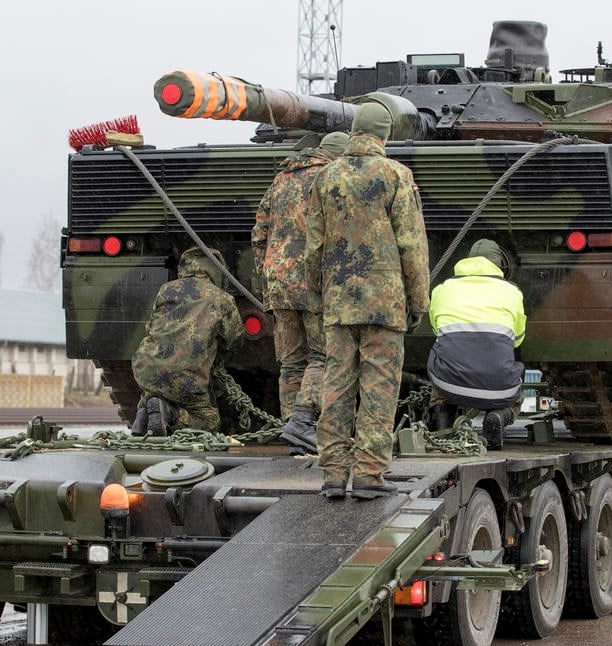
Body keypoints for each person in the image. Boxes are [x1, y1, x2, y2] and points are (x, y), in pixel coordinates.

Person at [304, 101, 430, 500]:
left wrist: (317, 296)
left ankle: (333, 473)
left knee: (337, 385)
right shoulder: (396, 175)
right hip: (384, 303)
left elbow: (313, 246)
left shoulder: (326, 178)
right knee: (378, 386)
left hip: (339, 302)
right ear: (385, 135)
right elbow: (412, 245)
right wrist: (418, 300)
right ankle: (370, 473)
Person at [252, 131, 348, 454]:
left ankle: (294, 435)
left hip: (278, 279)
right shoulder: (331, 177)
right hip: (313, 280)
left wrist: (267, 273)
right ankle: (305, 423)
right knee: (323, 356)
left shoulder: (282, 178)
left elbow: (259, 231)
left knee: (292, 362)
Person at [131, 247, 244, 435]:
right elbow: (236, 340)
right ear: (217, 270)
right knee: (209, 422)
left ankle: (145, 412)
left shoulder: (166, 290)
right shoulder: (222, 298)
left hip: (145, 369)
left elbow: (151, 328)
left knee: (156, 386)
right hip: (187, 378)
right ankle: (171, 416)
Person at [427, 238, 526, 449]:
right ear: (499, 264)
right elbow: (517, 339)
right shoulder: (513, 292)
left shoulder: (442, 289)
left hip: (448, 384)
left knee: (441, 350)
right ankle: (499, 415)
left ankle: (443, 422)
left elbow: (437, 330)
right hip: (500, 389)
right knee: (513, 372)